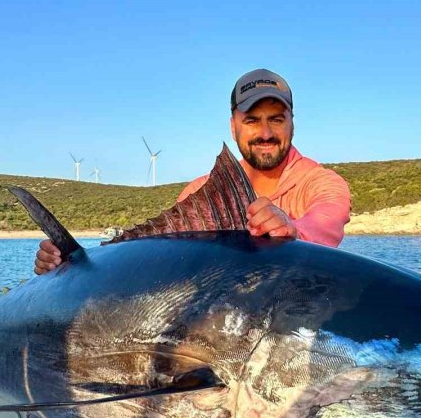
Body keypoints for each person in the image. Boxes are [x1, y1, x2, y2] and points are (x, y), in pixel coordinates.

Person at [34, 69, 351, 275]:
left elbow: (323, 224)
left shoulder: (322, 183)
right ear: (233, 125)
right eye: (252, 120)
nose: (266, 132)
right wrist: (68, 269)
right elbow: (163, 262)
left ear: (292, 122)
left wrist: (293, 232)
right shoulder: (201, 192)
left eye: (277, 119)